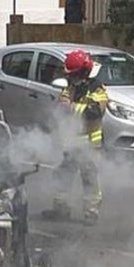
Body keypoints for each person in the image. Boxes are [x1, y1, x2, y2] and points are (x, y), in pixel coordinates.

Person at [46, 49, 108, 225]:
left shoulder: (97, 89)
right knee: (63, 175)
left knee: (89, 178)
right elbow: (61, 105)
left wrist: (72, 108)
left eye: (72, 74)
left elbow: (95, 112)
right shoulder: (71, 87)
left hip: (89, 144)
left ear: (82, 72)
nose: (70, 78)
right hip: (70, 142)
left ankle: (91, 212)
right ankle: (60, 209)